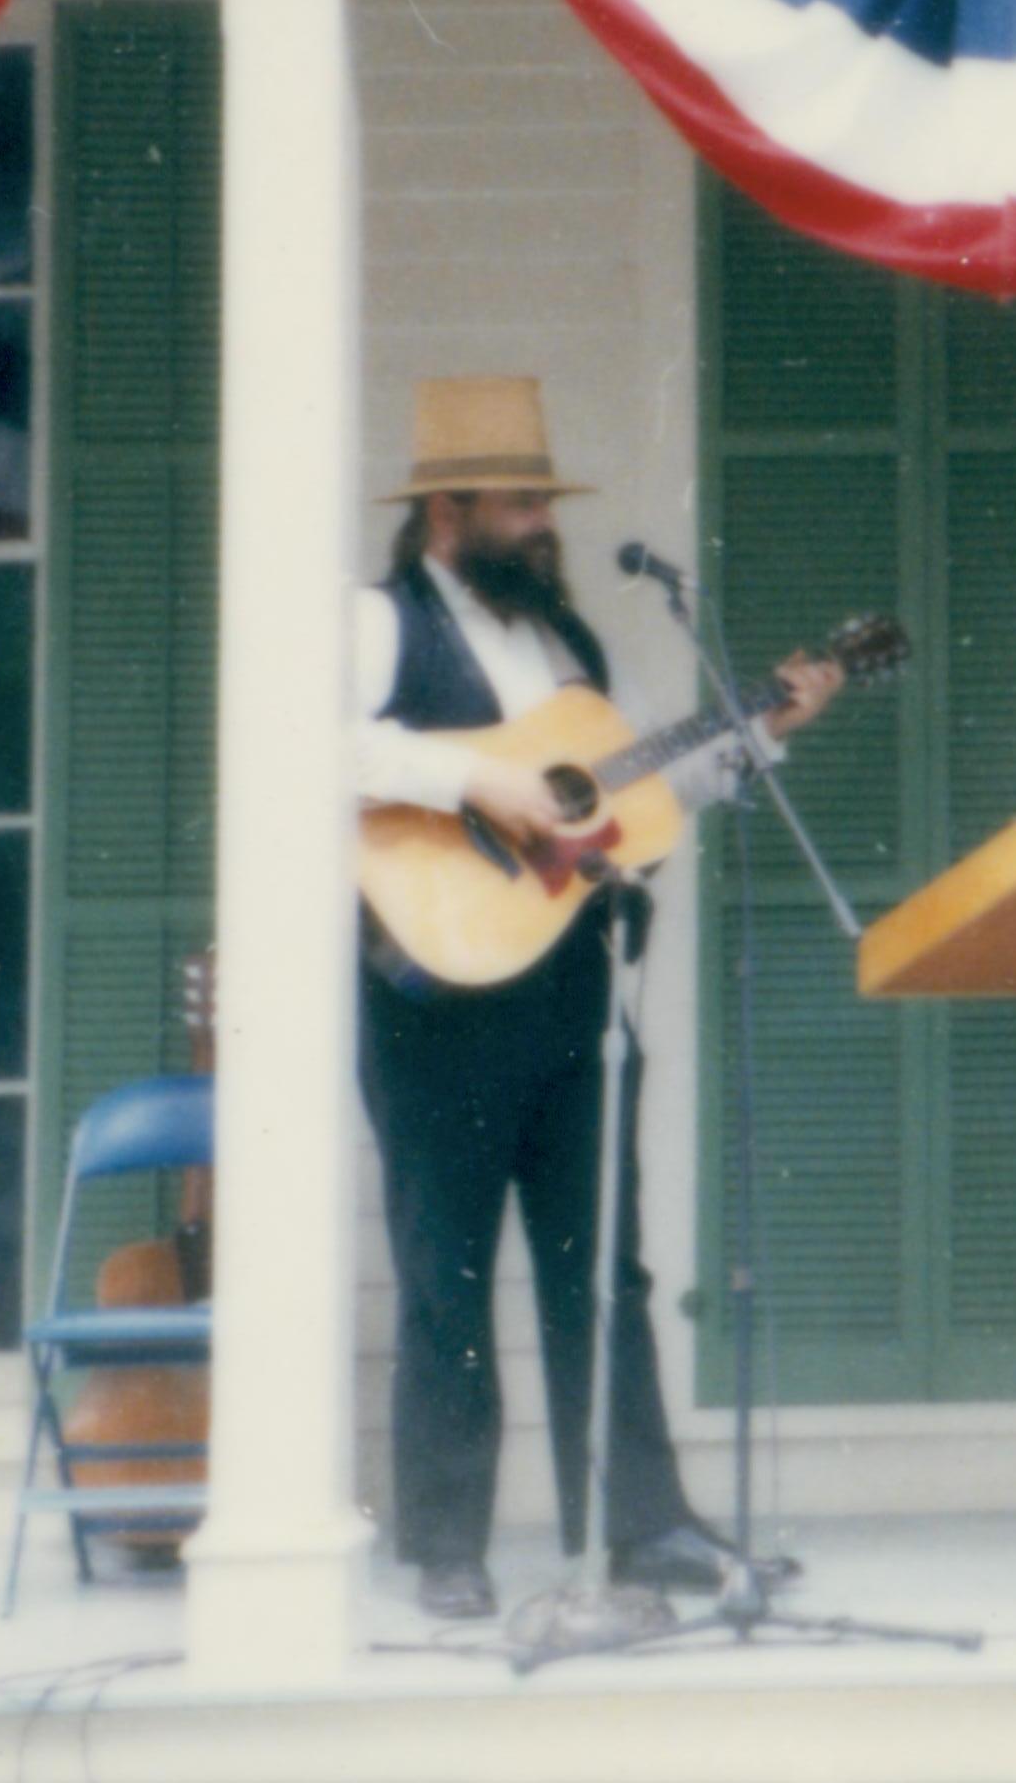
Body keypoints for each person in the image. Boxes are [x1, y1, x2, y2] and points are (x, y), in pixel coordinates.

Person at [356, 375, 843, 1622]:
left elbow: (634, 801)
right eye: (518, 503)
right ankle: (447, 1546)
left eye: (542, 501)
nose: (540, 523)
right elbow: (309, 742)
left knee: (600, 1269)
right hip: (437, 994)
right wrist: (482, 780)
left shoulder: (569, 651)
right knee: (445, 1269)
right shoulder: (376, 621)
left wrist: (764, 730)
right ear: (446, 511)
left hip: (570, 997)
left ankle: (639, 1528)